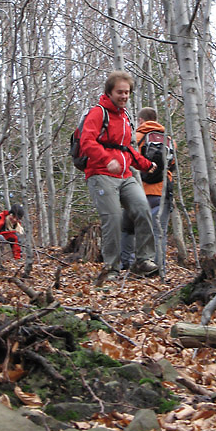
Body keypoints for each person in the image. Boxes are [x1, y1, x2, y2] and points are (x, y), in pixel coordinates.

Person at [80, 70, 158, 280]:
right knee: (113, 219)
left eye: (127, 92)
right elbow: (86, 142)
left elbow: (126, 148)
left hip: (125, 175)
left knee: (142, 208)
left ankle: (143, 260)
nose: (124, 96)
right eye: (119, 92)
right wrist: (107, 160)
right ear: (110, 92)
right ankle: (111, 269)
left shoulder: (125, 117)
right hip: (100, 174)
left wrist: (145, 164)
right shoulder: (98, 113)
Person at [120, 108, 175, 273]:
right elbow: (172, 166)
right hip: (163, 192)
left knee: (127, 228)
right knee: (159, 232)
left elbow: (127, 162)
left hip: (138, 192)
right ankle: (158, 269)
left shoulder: (136, 138)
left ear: (141, 121)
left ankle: (127, 264)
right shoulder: (169, 140)